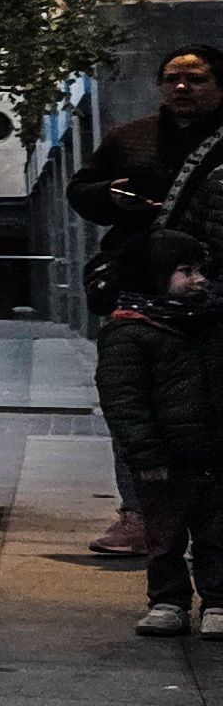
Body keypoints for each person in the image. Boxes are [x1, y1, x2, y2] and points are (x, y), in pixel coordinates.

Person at [68, 46, 223, 560]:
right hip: (143, 293)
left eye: (195, 79)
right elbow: (81, 189)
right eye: (172, 79)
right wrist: (110, 196)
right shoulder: (130, 136)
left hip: (212, 290)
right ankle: (137, 513)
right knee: (133, 400)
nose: (181, 88)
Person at [97, 231, 223, 636]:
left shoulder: (209, 324)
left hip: (214, 453)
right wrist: (146, 456)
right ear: (153, 278)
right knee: (164, 536)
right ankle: (168, 600)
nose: (199, 279)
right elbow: (124, 403)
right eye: (186, 271)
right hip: (164, 460)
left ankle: (218, 602)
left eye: (200, 270)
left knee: (216, 533)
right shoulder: (129, 333)